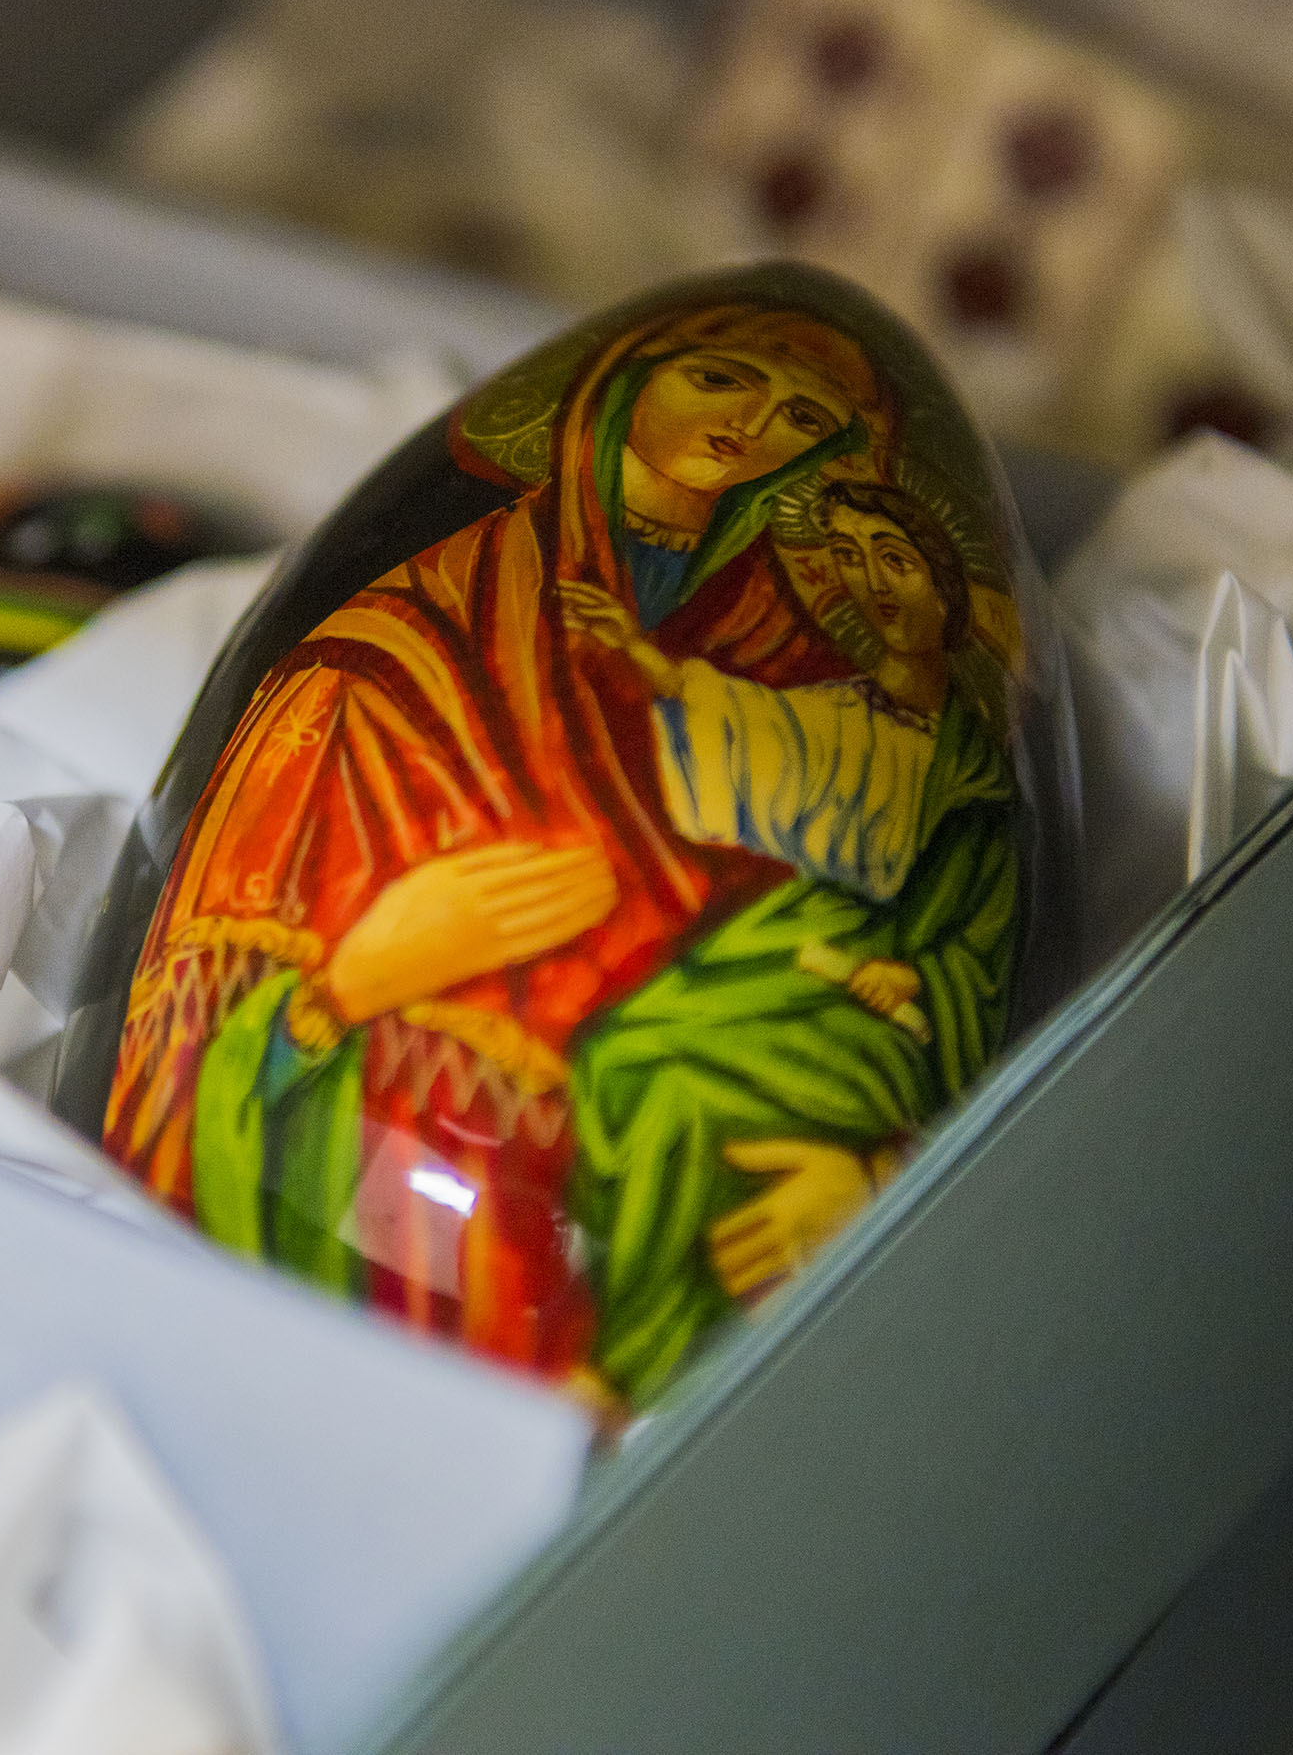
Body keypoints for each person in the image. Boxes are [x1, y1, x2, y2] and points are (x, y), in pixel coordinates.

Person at [109, 293, 904, 1383]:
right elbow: (175, 1034)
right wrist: (339, 987)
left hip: (643, 1311)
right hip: (339, 1272)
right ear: (624, 384)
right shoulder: (379, 656)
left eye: (800, 418)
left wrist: (875, 1159)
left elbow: (859, 964)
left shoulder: (801, 700)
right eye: (720, 379)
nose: (749, 427)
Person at [560, 477, 1023, 1407]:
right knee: (615, 1050)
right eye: (852, 561)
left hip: (890, 1011)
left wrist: (917, 975)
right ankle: (600, 1316)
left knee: (684, 1091)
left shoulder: (972, 762)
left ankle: (635, 1363)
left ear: (944, 582)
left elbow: (979, 933)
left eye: (895, 560)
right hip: (803, 951)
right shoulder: (841, 710)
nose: (872, 583)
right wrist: (649, 667)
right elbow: (756, 735)